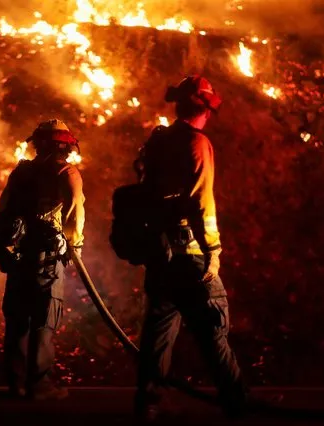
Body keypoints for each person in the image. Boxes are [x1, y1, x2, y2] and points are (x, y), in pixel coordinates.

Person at [133, 76, 247, 421]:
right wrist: (212, 250)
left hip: (161, 255)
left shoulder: (158, 141)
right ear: (207, 109)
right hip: (192, 255)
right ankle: (237, 400)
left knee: (158, 333)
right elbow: (201, 201)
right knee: (213, 329)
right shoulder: (197, 143)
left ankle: (148, 404)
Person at [0, 119, 85, 400]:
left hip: (19, 257)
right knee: (44, 319)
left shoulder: (20, 172)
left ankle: (17, 383)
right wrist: (76, 249)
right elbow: (73, 216)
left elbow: (3, 210)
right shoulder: (67, 173)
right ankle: (40, 385)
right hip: (46, 260)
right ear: (64, 145)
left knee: (18, 318)